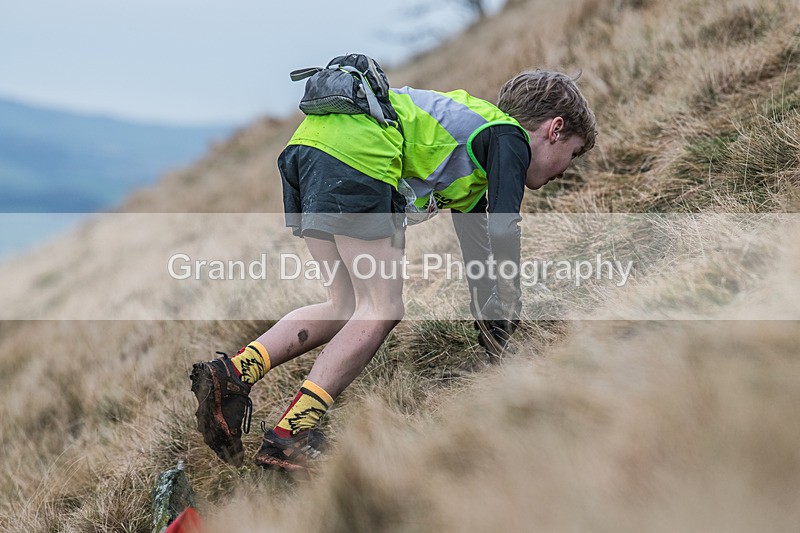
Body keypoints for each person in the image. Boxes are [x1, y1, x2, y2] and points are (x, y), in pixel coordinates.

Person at [190, 67, 596, 470]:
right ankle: (290, 434)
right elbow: (504, 228)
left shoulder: (476, 151)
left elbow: (480, 259)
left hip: (309, 149)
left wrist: (495, 330)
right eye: (574, 153)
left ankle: (233, 373)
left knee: (344, 305)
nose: (565, 170)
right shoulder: (508, 136)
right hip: (355, 153)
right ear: (554, 129)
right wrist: (513, 302)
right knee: (382, 309)